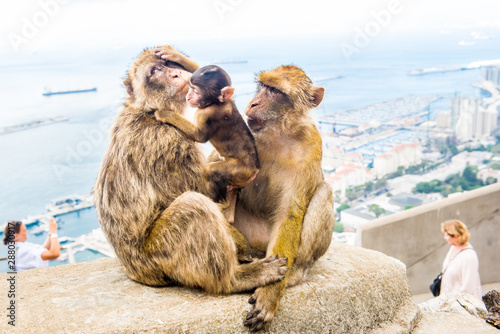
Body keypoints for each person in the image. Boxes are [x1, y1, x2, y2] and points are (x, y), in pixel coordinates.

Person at [440, 219, 481, 299]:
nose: (444, 238)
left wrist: (450, 301)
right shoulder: (453, 249)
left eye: (446, 235)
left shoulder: (469, 256)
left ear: (455, 236)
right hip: (448, 303)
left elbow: (468, 289)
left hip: (461, 306)